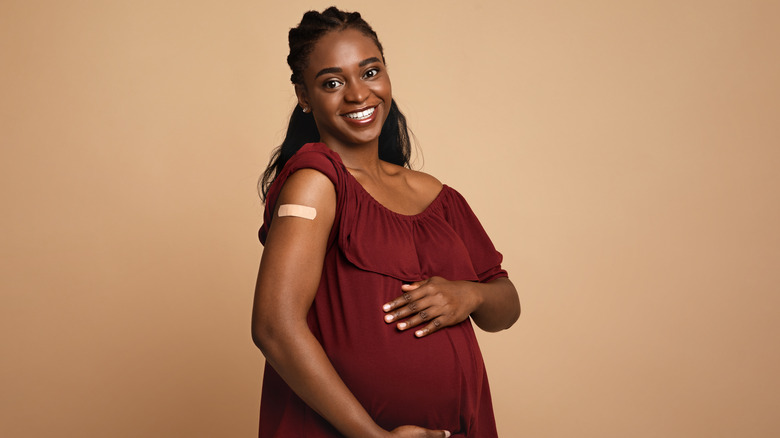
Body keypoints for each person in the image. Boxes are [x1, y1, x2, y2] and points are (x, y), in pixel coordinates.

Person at [251, 7, 520, 438]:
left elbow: (505, 306)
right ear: (304, 96)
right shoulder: (315, 184)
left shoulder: (436, 195)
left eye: (370, 71)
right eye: (333, 82)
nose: (358, 95)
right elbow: (274, 327)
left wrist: (469, 295)